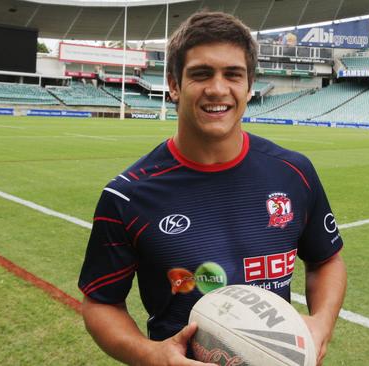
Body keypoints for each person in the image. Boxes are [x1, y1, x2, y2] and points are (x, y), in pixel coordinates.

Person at [78, 11, 347, 366]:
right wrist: (152, 355)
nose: (218, 89)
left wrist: (321, 324)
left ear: (249, 85)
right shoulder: (128, 197)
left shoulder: (293, 172)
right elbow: (101, 302)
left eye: (233, 75)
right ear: (174, 84)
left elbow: (327, 261)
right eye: (201, 74)